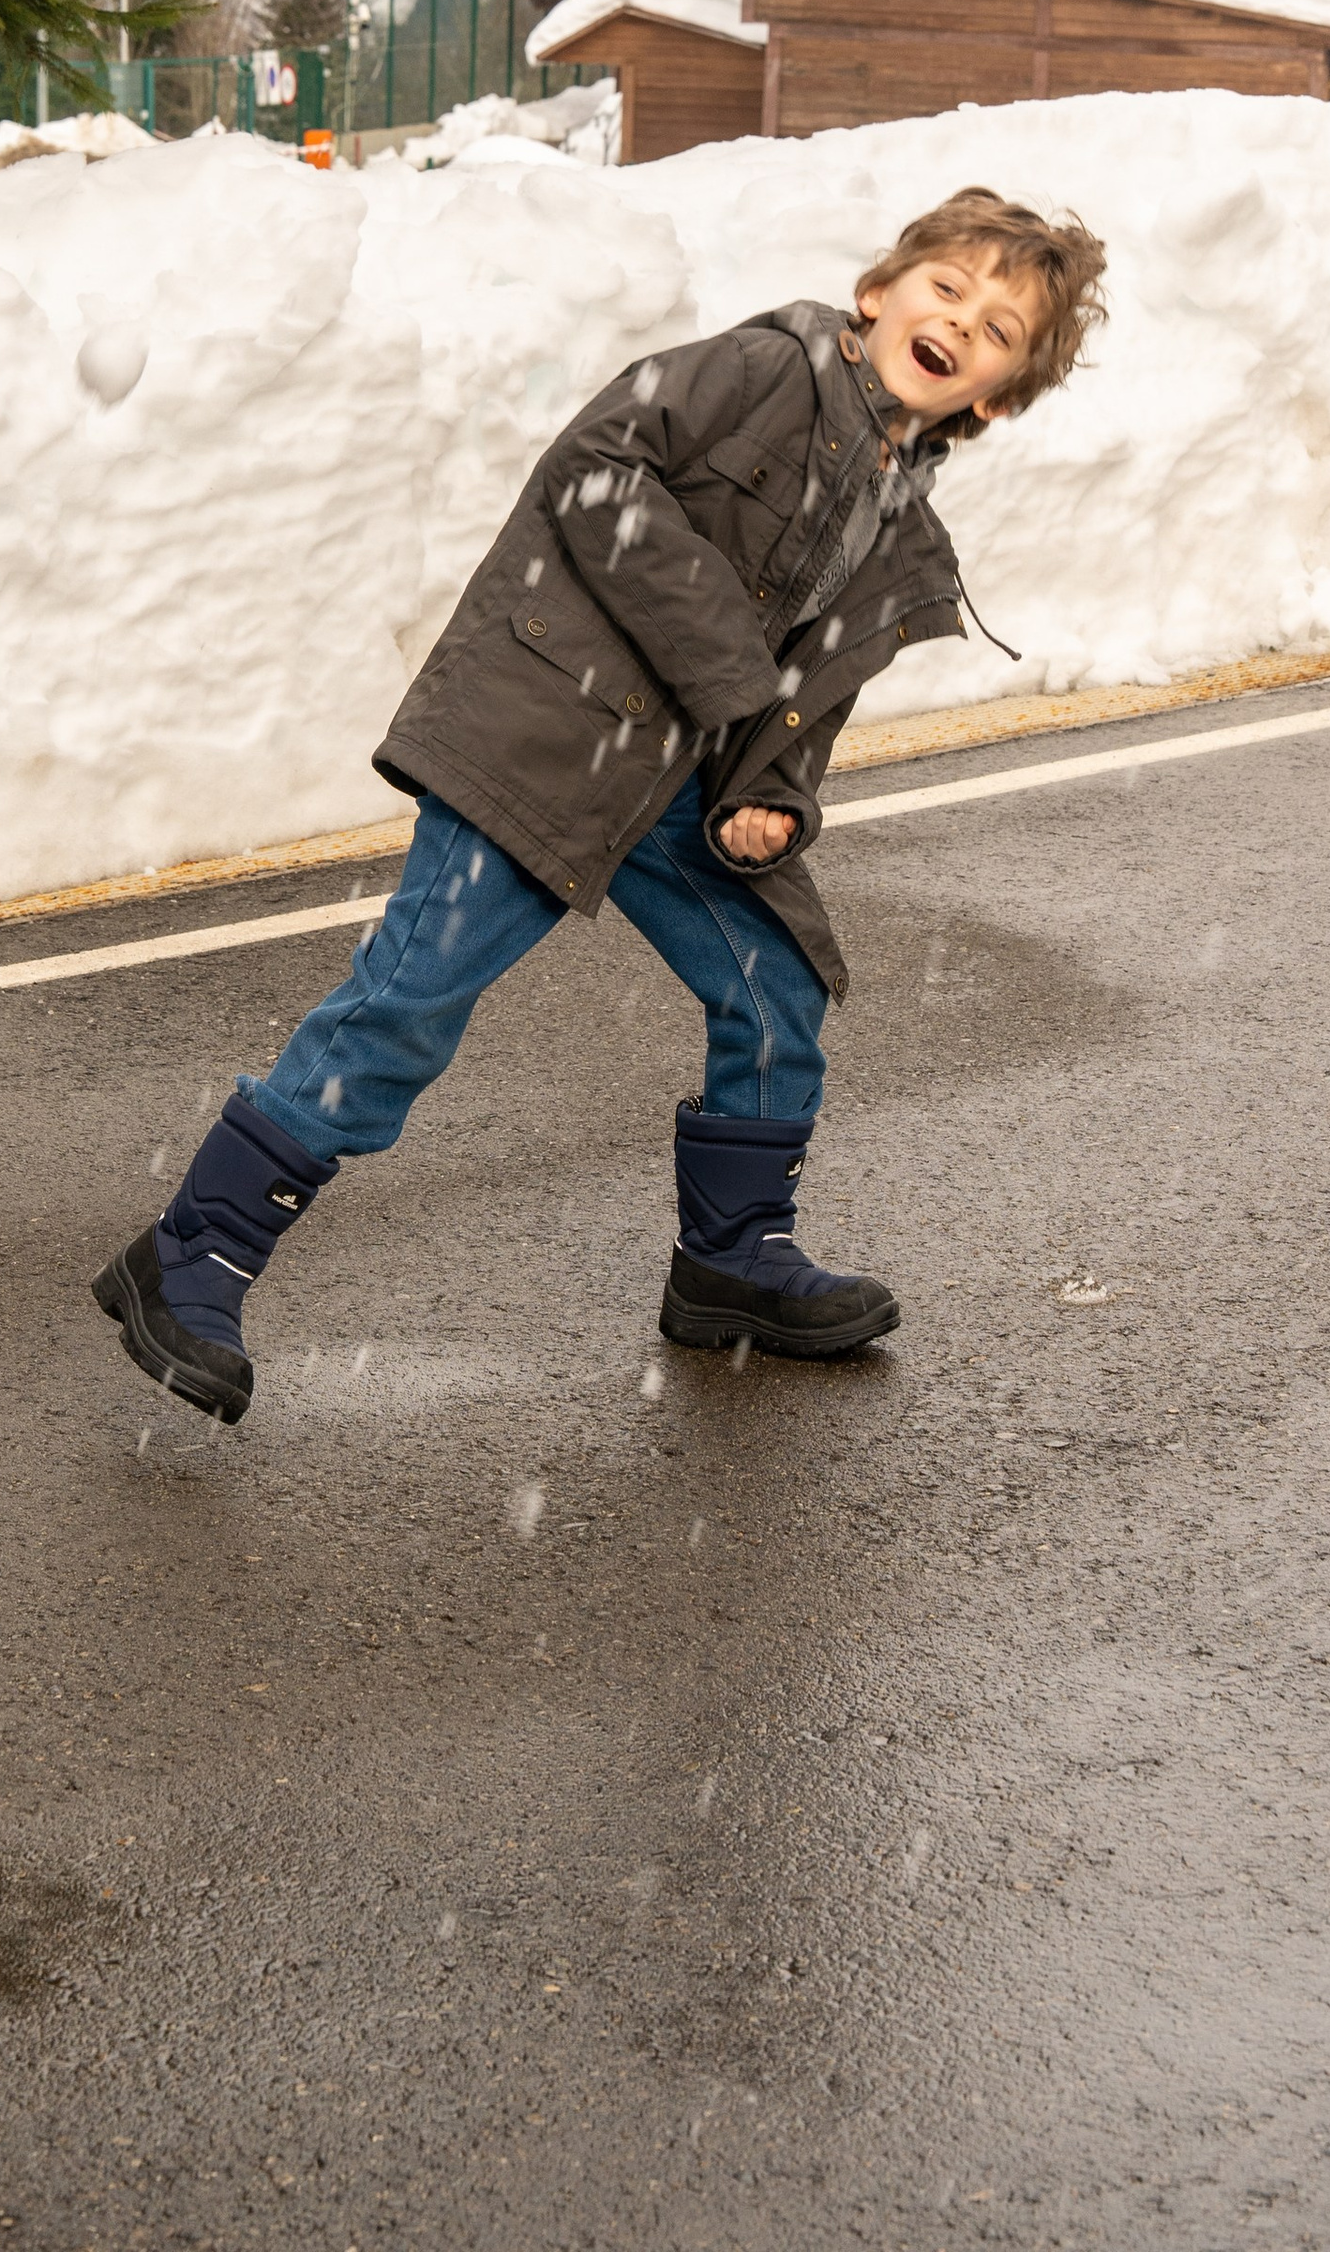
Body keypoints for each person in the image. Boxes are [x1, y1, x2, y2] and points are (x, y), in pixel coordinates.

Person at [93, 184, 1107, 1422]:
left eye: (998, 330)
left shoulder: (898, 526)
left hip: (680, 777)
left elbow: (804, 699)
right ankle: (193, 1251)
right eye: (948, 287)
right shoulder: (763, 370)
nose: (962, 320)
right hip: (549, 724)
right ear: (878, 292)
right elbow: (594, 466)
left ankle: (731, 1261)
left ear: (993, 397)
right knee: (412, 1003)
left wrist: (772, 796)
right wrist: (726, 668)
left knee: (775, 986)